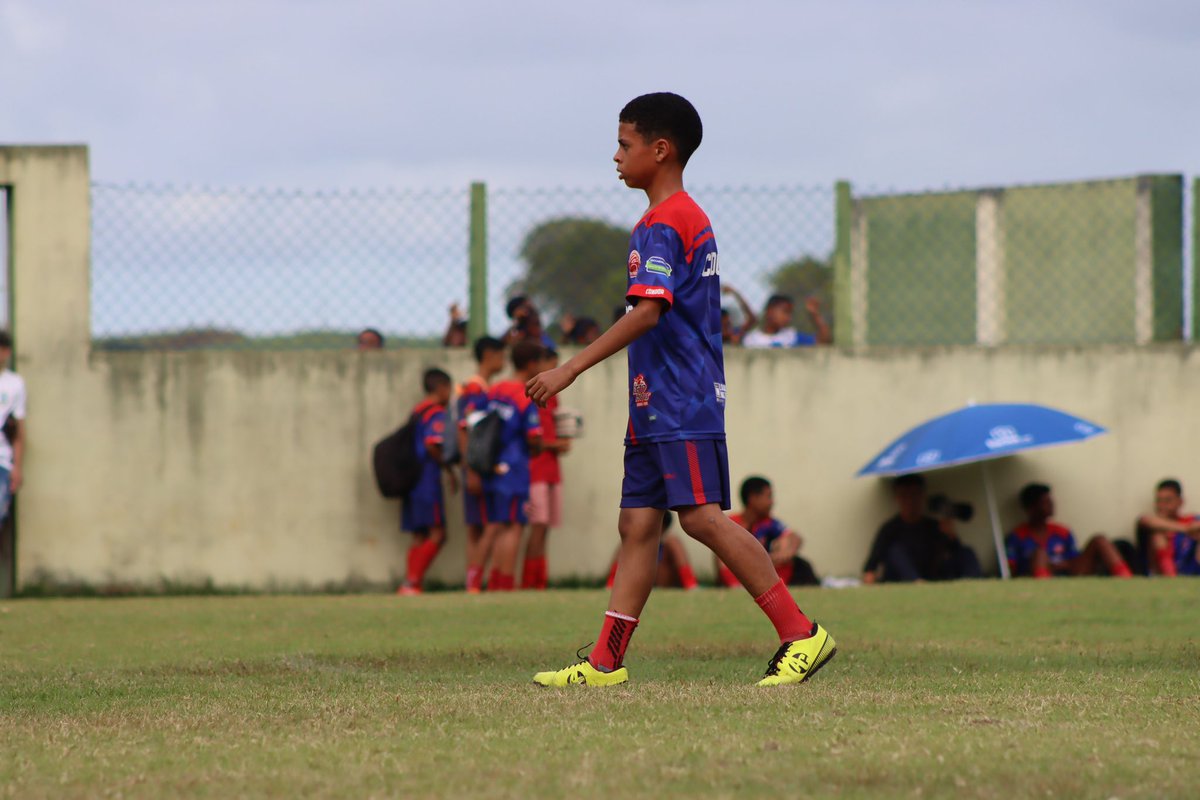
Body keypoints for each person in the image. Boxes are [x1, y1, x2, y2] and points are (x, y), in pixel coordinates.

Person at [525, 92, 835, 688]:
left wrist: (570, 369)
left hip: (680, 398)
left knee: (701, 519)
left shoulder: (669, 222)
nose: (616, 156)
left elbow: (648, 312)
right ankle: (604, 663)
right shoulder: (665, 219)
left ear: (660, 149)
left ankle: (801, 633)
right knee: (638, 526)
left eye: (625, 144)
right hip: (653, 402)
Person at [482, 340, 543, 590]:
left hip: (492, 464)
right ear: (531, 364)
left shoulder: (496, 389)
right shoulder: (525, 394)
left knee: (499, 523)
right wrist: (539, 446)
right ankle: (505, 583)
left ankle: (495, 581)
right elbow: (534, 435)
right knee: (514, 525)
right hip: (514, 466)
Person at [398, 368, 456, 595]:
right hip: (426, 480)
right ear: (441, 388)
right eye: (449, 389)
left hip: (410, 479)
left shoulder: (417, 411)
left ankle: (410, 584)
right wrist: (449, 470)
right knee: (438, 533)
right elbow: (432, 443)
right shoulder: (435, 412)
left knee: (419, 534)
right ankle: (412, 582)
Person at [863, 474, 981, 583]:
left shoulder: (933, 526)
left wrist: (950, 534)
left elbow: (956, 553)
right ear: (897, 497)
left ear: (923, 495)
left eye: (914, 494)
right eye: (904, 495)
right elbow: (870, 568)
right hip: (903, 580)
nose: (910, 500)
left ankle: (973, 584)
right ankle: (917, 582)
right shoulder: (890, 529)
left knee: (967, 551)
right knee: (895, 550)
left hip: (931, 576)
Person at [457, 336, 507, 593]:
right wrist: (471, 469)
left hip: (475, 466)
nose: (504, 361)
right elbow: (465, 430)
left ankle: (472, 582)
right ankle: (474, 582)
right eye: (501, 355)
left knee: (476, 528)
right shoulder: (476, 389)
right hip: (477, 468)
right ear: (489, 355)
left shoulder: (480, 388)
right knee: (489, 525)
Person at [520, 348, 572, 590]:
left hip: (552, 469)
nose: (555, 370)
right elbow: (530, 438)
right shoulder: (526, 393)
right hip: (535, 470)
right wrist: (554, 444)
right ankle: (529, 583)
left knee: (546, 527)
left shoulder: (554, 396)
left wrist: (562, 442)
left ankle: (540, 582)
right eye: (551, 364)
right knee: (538, 526)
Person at [1006, 483, 1132, 578]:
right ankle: (1043, 585)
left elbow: (1074, 557)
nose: (1051, 505)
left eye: (1051, 501)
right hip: (1038, 576)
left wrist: (1064, 564)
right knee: (1040, 553)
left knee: (1100, 540)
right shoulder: (1017, 536)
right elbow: (1011, 569)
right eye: (1045, 502)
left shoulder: (1062, 532)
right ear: (1031, 507)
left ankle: (1125, 578)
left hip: (1070, 572)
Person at [717, 476, 818, 588]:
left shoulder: (769, 523)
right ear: (753, 498)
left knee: (791, 550)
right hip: (740, 577)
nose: (772, 502)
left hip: (769, 576)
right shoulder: (731, 523)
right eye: (769, 496)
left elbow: (794, 537)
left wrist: (785, 552)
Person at [1136, 479, 1200, 577]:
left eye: (1167, 500)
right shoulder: (1151, 523)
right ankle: (1171, 577)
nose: (1162, 505)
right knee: (1157, 535)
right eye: (1158, 501)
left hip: (1191, 571)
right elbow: (1145, 521)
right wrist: (1186, 529)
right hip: (1159, 575)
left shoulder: (1191, 520)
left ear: (1180, 502)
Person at [0, 332, 26, 527]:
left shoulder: (15, 384)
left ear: (7, 352)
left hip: (2, 460)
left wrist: (17, 467)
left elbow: (18, 429)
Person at [742, 294, 831, 348]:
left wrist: (814, 314)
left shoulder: (791, 337)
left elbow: (824, 341)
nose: (789, 318)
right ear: (770, 311)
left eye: (790, 314)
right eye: (785, 312)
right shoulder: (751, 340)